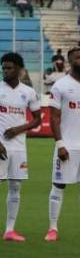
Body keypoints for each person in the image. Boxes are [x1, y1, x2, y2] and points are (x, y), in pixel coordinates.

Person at [0, 52, 41, 242]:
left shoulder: (29, 92)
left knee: (15, 186)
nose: (5, 71)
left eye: (9, 68)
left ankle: (9, 230)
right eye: (4, 68)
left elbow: (38, 119)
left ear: (19, 70)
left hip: (19, 147)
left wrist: (19, 129)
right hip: (0, 146)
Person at [45, 47, 80, 241]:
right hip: (67, 145)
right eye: (78, 57)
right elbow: (54, 118)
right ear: (70, 60)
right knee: (58, 185)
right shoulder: (61, 85)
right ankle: (52, 228)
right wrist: (60, 144)